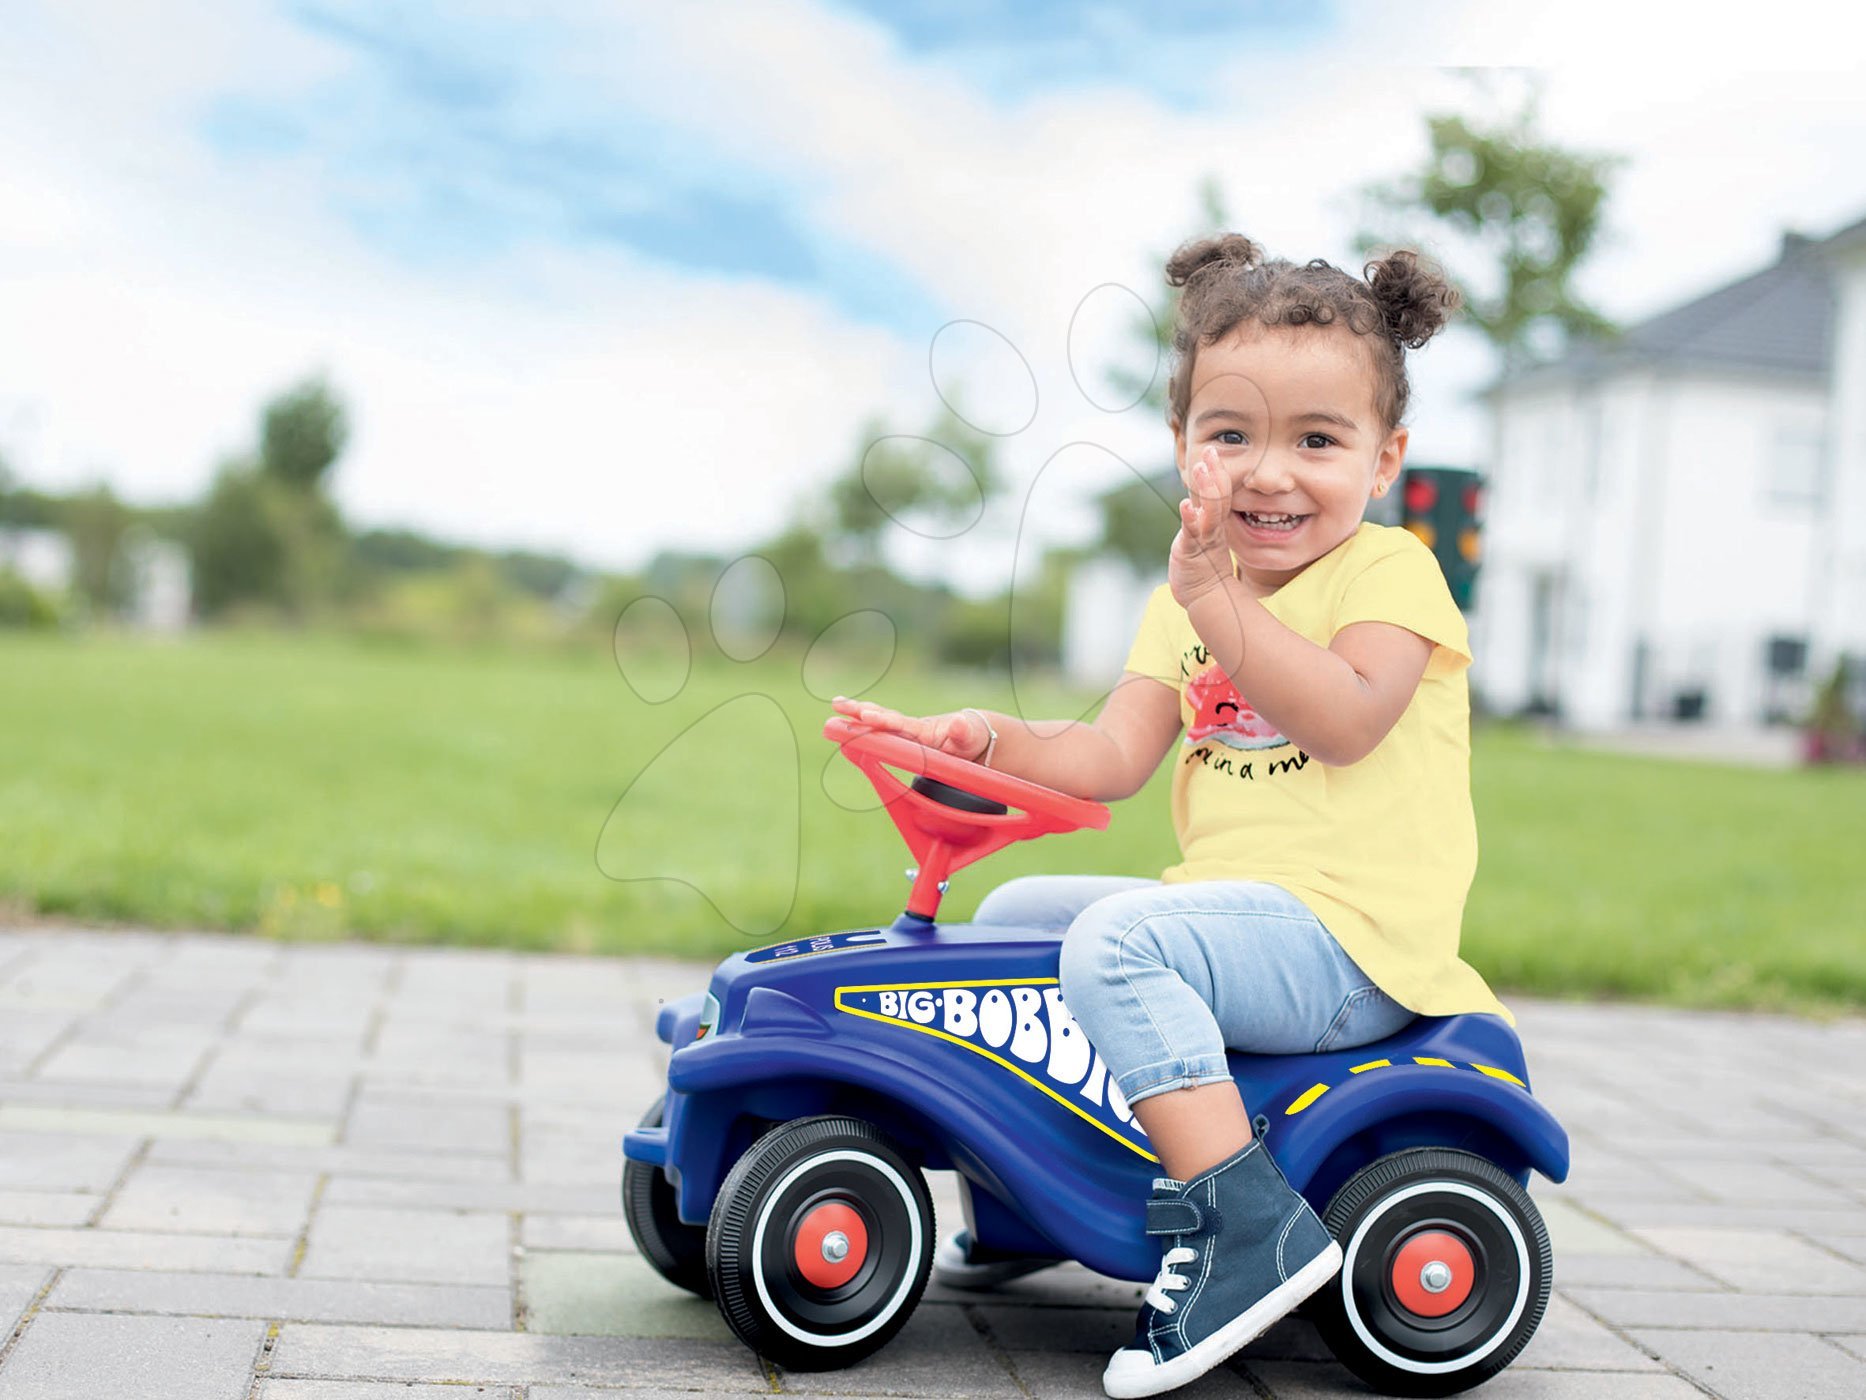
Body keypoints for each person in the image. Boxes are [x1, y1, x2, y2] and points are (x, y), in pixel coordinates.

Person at [828, 232, 1511, 1399]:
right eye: (1231, 434)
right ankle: (1036, 1188)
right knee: (1023, 915)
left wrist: (1214, 599)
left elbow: (1347, 716)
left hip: (1355, 939)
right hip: (1243, 919)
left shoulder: (1392, 576)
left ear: (1384, 456)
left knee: (1115, 940)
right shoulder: (1185, 595)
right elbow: (1109, 755)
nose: (1269, 471)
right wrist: (988, 735)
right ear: (1184, 444)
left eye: (1317, 439)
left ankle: (1248, 1227)